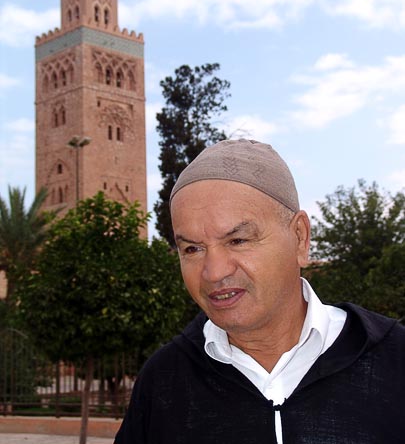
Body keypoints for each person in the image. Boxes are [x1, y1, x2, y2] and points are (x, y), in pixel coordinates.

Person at [114, 139, 405, 444]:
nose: (214, 272)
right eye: (192, 248)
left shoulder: (394, 360)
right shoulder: (164, 382)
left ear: (300, 238)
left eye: (237, 240)